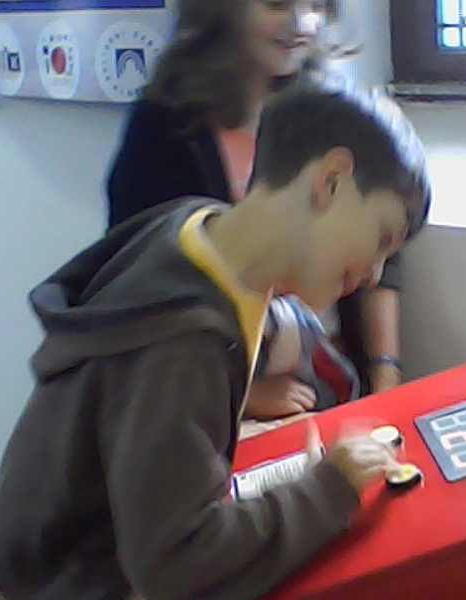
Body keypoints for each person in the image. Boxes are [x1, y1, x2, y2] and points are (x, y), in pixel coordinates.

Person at [0, 75, 431, 600]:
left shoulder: (195, 226)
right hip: (54, 583)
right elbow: (178, 567)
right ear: (331, 181)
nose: (374, 274)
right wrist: (330, 490)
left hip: (45, 548)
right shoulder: (184, 348)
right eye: (382, 238)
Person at [106, 0, 405, 421]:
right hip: (219, 398)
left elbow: (380, 250)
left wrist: (384, 372)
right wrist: (243, 395)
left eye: (316, 5)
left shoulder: (333, 105)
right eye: (276, 4)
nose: (300, 24)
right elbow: (138, 288)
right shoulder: (166, 126)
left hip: (332, 374)